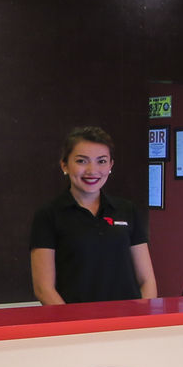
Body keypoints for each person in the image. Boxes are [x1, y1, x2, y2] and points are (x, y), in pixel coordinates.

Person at [29, 125, 156, 304]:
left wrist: (142, 315)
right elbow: (44, 289)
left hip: (128, 319)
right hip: (76, 320)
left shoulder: (127, 210)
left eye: (101, 161)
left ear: (110, 165)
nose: (92, 170)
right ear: (64, 165)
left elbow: (147, 280)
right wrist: (74, 321)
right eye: (81, 161)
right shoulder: (48, 215)